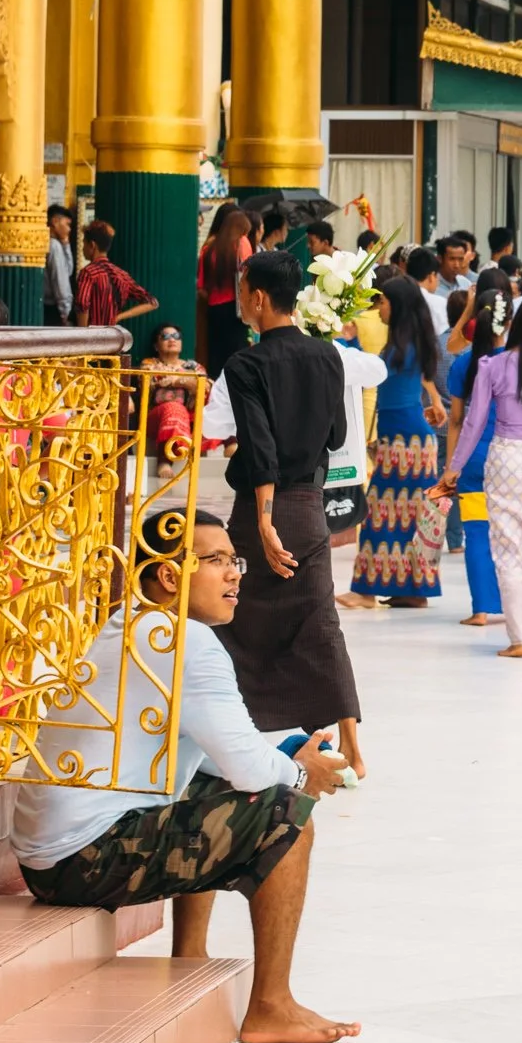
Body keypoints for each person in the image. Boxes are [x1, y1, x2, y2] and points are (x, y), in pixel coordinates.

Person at [15, 506, 357, 1043]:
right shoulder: (185, 642)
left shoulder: (134, 623)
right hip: (78, 861)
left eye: (234, 560)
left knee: (229, 790)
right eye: (216, 561)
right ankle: (270, 1005)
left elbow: (229, 757)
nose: (234, 574)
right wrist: (300, 775)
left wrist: (289, 763)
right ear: (170, 576)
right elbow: (250, 768)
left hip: (50, 854)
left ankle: (190, 957)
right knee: (286, 815)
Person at [219, 250, 362, 765]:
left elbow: (259, 449)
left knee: (227, 617)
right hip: (309, 509)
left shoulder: (245, 363)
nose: (239, 299)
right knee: (319, 622)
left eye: (240, 290)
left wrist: (262, 522)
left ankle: (227, 735)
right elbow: (337, 434)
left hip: (265, 515)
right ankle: (351, 744)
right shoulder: (328, 356)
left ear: (258, 298)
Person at [440, 289, 522, 659]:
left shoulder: (492, 366)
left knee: (507, 548)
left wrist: (453, 469)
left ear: (515, 323)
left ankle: (519, 637)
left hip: (505, 460)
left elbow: (472, 423)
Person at [346, 271, 449, 611]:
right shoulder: (413, 342)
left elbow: (378, 374)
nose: (379, 308)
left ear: (399, 305)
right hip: (411, 437)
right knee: (410, 518)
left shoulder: (402, 346)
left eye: (384, 301)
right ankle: (413, 589)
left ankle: (365, 590)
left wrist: (349, 346)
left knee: (381, 513)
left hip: (403, 439)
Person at [442, 273, 511, 628]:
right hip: (513, 457)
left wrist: (450, 469)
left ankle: (481, 609)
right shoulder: (516, 363)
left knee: (478, 532)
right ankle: (512, 604)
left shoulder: (464, 364)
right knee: (511, 533)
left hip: (474, 459)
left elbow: (456, 421)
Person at [73, 218, 158, 338]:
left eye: (83, 244)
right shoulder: (121, 274)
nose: (82, 249)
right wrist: (118, 317)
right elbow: (152, 302)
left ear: (92, 245)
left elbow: (82, 305)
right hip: (112, 338)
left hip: (92, 338)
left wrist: (83, 334)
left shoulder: (88, 272)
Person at [198, 204, 253, 379]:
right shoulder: (242, 243)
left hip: (214, 309)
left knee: (216, 356)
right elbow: (249, 272)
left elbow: (201, 286)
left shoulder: (208, 248)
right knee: (237, 356)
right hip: (235, 309)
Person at [143, 322, 200, 465]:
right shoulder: (149, 363)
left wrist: (175, 381)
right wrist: (187, 380)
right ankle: (164, 461)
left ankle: (231, 447)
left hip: (187, 418)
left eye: (176, 336)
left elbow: (204, 386)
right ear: (156, 345)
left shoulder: (192, 366)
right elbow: (153, 378)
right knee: (174, 407)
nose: (172, 339)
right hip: (154, 419)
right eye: (166, 336)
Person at [43, 200, 77, 325]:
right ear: (55, 221)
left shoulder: (57, 244)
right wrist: (65, 312)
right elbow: (60, 281)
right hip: (54, 309)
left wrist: (65, 243)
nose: (69, 229)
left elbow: (68, 270)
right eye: (67, 224)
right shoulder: (54, 246)